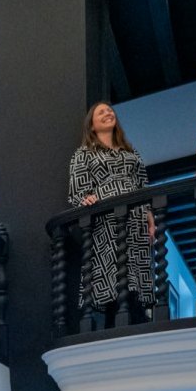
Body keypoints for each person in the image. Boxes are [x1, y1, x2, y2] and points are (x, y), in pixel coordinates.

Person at [66, 102, 157, 323]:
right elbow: (77, 191)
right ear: (92, 125)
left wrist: (150, 219)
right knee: (114, 274)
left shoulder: (130, 150)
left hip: (135, 215)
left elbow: (142, 185)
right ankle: (120, 322)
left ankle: (136, 319)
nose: (108, 113)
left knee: (135, 272)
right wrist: (85, 199)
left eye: (110, 110)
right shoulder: (84, 153)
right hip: (107, 218)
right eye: (101, 112)